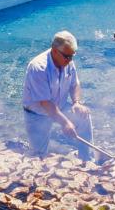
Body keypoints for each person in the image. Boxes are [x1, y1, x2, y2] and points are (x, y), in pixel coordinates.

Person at [22, 30, 93, 162]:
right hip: (37, 113)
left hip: (59, 107)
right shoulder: (38, 67)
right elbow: (45, 103)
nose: (70, 60)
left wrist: (77, 102)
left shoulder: (67, 60)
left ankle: (87, 159)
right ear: (54, 51)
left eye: (72, 56)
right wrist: (65, 123)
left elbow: (75, 84)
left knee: (83, 116)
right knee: (38, 156)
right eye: (67, 56)